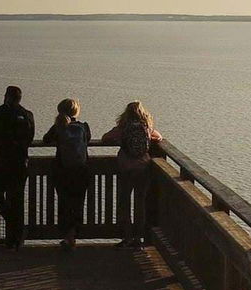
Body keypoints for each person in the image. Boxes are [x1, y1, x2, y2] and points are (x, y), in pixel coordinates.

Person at [102, 100, 163, 247]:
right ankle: (138, 238)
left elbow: (105, 138)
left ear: (126, 113)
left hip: (125, 168)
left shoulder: (123, 127)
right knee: (140, 203)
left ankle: (126, 237)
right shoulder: (146, 127)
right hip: (143, 168)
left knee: (124, 203)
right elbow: (159, 137)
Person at [0, 85, 35, 249]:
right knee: (17, 200)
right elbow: (30, 138)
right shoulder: (28, 115)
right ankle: (16, 237)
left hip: (2, 162)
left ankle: (13, 228)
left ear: (6, 96)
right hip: (21, 163)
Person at [42, 98, 92, 251]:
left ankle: (67, 237)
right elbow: (87, 140)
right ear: (76, 111)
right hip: (81, 171)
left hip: (62, 171)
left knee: (64, 203)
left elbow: (45, 140)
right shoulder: (84, 127)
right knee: (77, 204)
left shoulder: (58, 127)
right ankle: (73, 236)